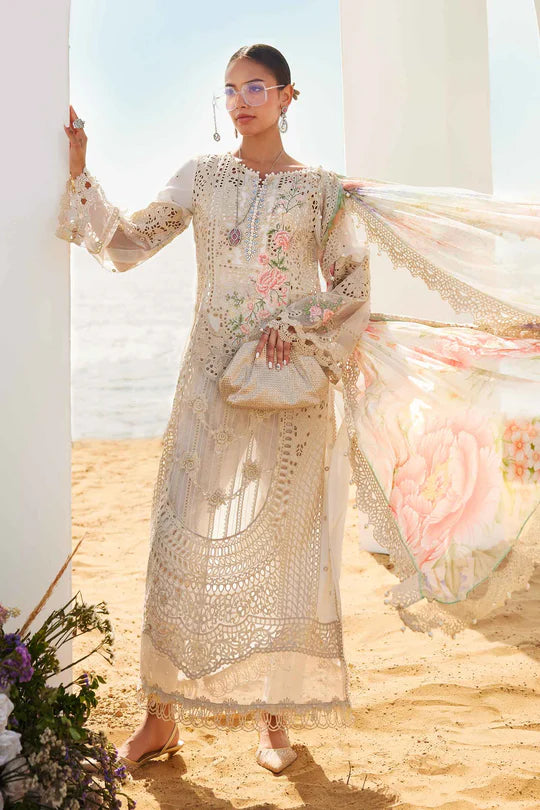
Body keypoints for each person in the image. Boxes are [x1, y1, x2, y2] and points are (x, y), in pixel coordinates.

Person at [57, 43, 540, 776]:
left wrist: (297, 322)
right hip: (209, 383)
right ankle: (160, 719)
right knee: (178, 536)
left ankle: (273, 719)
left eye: (256, 87)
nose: (241, 101)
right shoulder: (201, 177)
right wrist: (80, 166)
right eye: (230, 90)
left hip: (292, 391)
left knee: (288, 549)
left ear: (287, 96)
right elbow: (127, 245)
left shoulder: (321, 191)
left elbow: (350, 286)